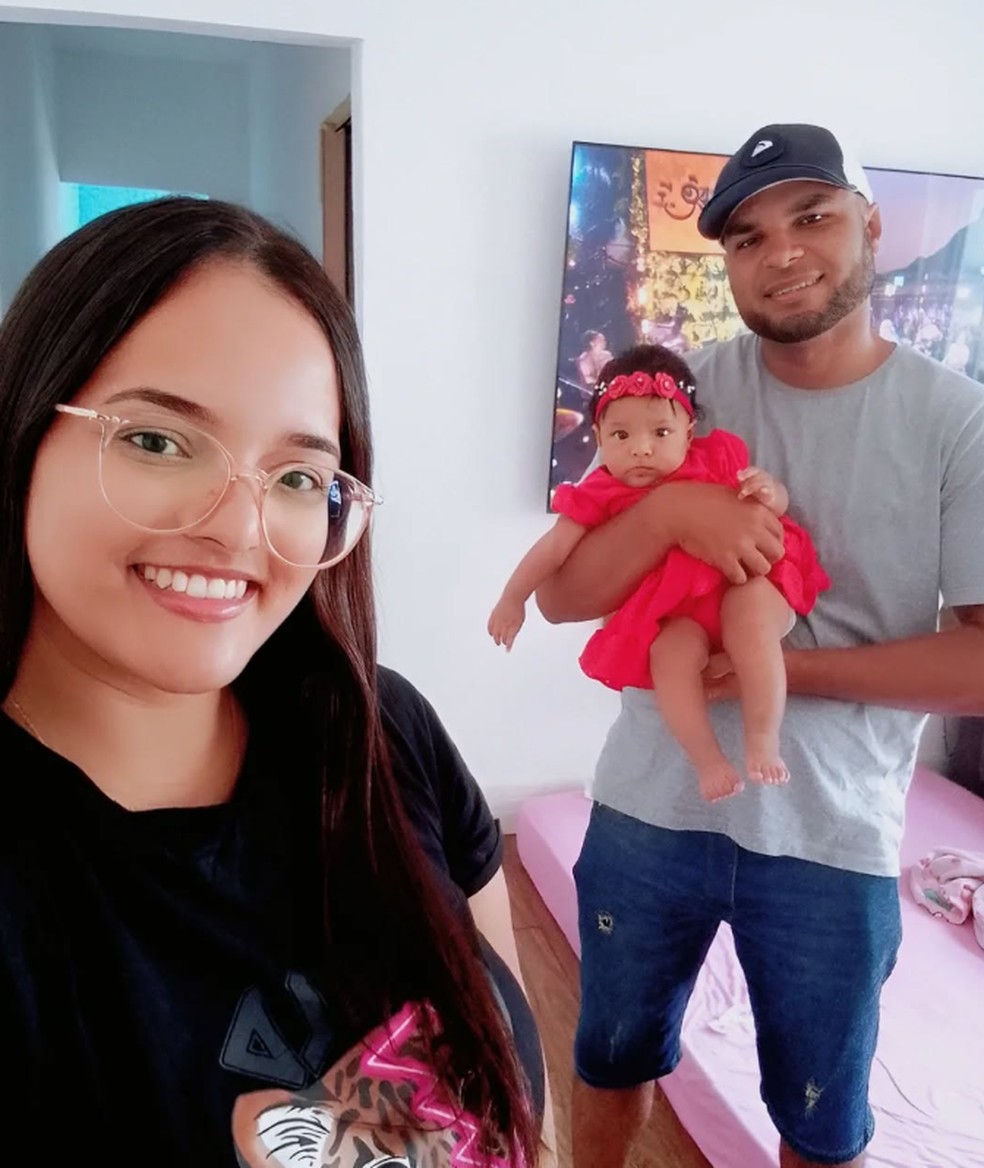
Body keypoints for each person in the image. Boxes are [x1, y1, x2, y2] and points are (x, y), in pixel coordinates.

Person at [0, 198, 549, 1167]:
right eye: (158, 440)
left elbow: (505, 1035)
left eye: (297, 477)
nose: (237, 527)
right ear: (22, 427)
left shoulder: (379, 727)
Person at [535, 124, 984, 1168]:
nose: (781, 252)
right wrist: (667, 515)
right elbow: (561, 597)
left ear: (870, 226)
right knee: (610, 1063)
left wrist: (774, 672)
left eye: (812, 217)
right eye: (747, 236)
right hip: (649, 806)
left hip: (833, 835)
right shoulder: (678, 396)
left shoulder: (957, 422)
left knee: (822, 1128)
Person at [488, 343, 829, 800]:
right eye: (621, 435)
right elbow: (552, 551)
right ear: (599, 437)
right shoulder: (599, 492)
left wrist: (771, 492)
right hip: (679, 613)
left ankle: (763, 739)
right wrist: (513, 598)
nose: (641, 449)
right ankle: (708, 761)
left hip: (745, 583)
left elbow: (771, 507)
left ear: (689, 433)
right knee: (668, 654)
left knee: (748, 619)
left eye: (661, 432)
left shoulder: (715, 459)